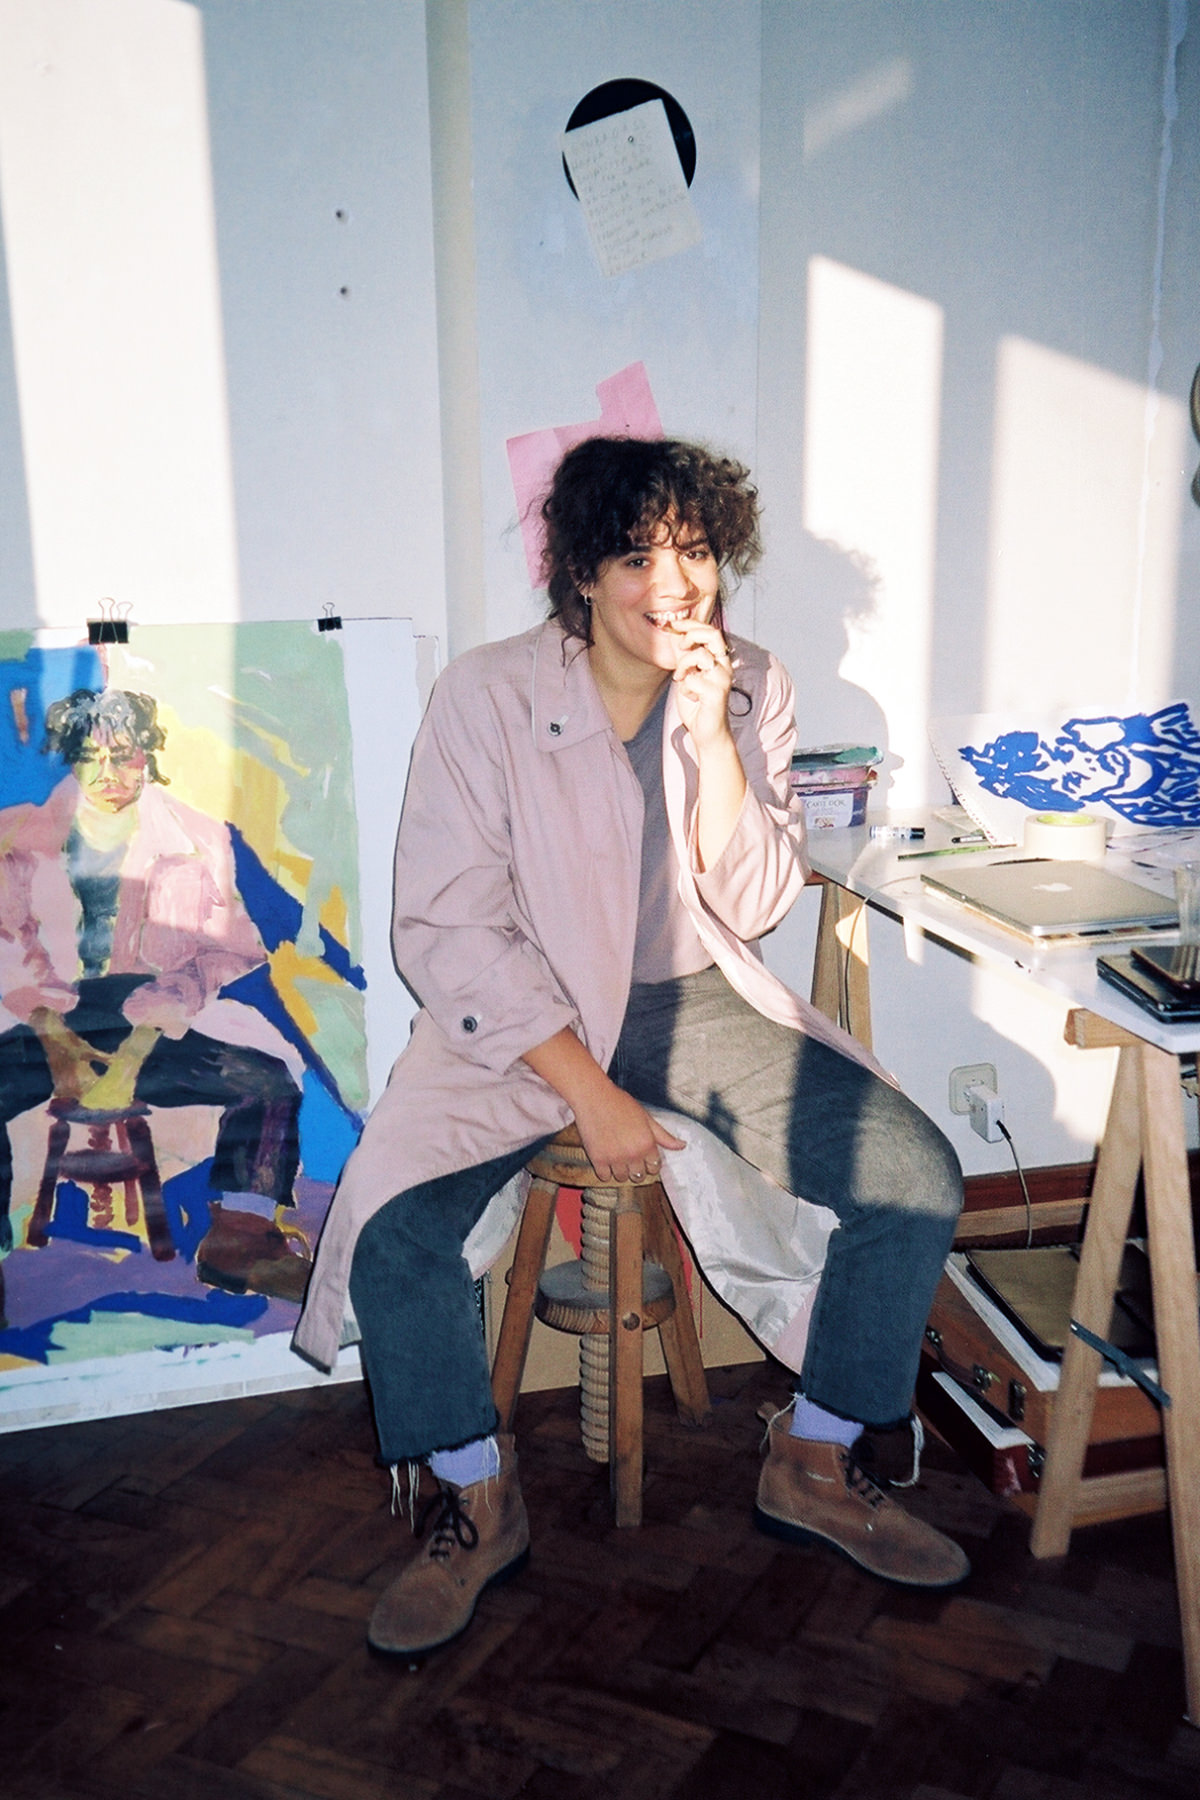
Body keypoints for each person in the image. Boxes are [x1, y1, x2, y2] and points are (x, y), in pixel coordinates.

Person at [294, 436, 968, 1660]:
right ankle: (475, 1496)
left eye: (696, 551)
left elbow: (755, 900)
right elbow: (447, 927)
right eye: (638, 557)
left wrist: (711, 742)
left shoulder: (749, 683)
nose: (676, 584)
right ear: (582, 574)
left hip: (692, 999)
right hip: (528, 1011)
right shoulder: (487, 696)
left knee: (913, 1179)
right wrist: (586, 1089)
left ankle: (815, 1459)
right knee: (394, 1227)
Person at [0, 687, 308, 1300]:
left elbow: (229, 947)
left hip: (161, 1014)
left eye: (125, 755)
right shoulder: (20, 837)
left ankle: (240, 1242)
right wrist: (56, 1043)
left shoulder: (198, 837)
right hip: (49, 1015)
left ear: (149, 755)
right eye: (92, 756)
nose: (109, 773)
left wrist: (140, 1046)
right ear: (72, 758)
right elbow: (10, 943)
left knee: (269, 1081)